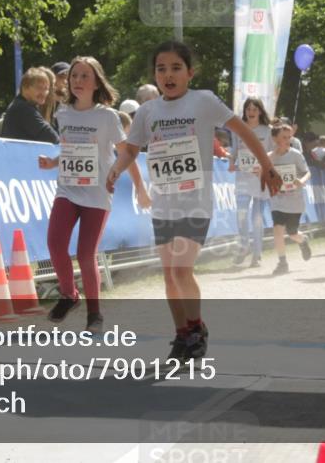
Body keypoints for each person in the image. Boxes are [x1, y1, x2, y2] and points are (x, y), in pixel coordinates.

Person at [107, 41, 281, 363]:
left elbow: (244, 132)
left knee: (181, 268)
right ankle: (181, 335)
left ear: (190, 72)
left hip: (196, 202)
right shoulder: (147, 111)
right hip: (164, 204)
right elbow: (131, 149)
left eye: (176, 68)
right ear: (155, 75)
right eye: (161, 69)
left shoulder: (204, 101)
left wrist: (268, 166)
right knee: (169, 274)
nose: (168, 75)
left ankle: (196, 329)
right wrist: (116, 169)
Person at [39, 57, 150, 333]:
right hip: (68, 188)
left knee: (85, 254)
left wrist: (140, 186)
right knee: (54, 244)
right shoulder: (63, 113)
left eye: (84, 76)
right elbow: (68, 148)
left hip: (97, 194)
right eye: (74, 76)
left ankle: (95, 314)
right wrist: (53, 162)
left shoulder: (106, 116)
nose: (77, 81)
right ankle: (69, 295)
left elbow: (126, 152)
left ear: (96, 81)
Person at [229, 97, 272, 268]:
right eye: (248, 109)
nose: (251, 112)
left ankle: (257, 254)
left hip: (261, 179)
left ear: (260, 111)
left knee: (257, 219)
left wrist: (264, 166)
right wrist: (232, 161)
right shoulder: (239, 129)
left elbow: (272, 152)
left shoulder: (267, 131)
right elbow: (235, 149)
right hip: (243, 179)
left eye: (254, 109)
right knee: (241, 214)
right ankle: (244, 246)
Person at [269, 123, 312, 275]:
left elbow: (307, 172)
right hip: (277, 200)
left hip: (295, 200)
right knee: (277, 229)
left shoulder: (295, 154)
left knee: (292, 232)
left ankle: (303, 240)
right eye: (284, 137)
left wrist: (302, 181)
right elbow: (261, 172)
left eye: (289, 137)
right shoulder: (269, 157)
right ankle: (282, 262)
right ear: (275, 139)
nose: (287, 140)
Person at [0, 67, 59, 144]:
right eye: (39, 88)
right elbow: (53, 138)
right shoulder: (23, 109)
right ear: (25, 87)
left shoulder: (20, 104)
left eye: (46, 89)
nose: (44, 93)